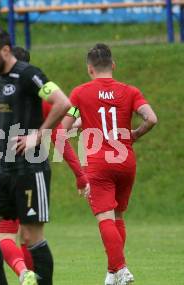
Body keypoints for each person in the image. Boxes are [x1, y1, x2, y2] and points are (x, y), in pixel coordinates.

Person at [0, 46, 89, 279]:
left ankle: (23, 271)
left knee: (6, 235)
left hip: (7, 170)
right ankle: (29, 274)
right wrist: (77, 122)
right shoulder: (38, 99)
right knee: (29, 234)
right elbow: (71, 114)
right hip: (26, 172)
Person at [61, 43, 157, 285]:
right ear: (113, 65)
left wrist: (75, 126)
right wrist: (134, 134)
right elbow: (151, 119)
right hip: (125, 161)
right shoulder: (130, 91)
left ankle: (121, 269)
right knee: (118, 216)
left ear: (89, 69)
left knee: (105, 218)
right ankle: (112, 273)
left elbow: (64, 128)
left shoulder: (80, 93)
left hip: (99, 162)